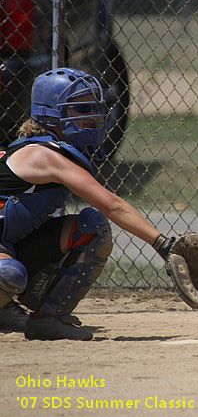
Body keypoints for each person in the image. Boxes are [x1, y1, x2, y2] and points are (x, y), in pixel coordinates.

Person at [0, 68, 176, 340]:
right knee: (8, 274)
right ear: (51, 113)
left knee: (91, 228)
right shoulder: (42, 154)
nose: (94, 117)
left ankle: (47, 319)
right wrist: (163, 244)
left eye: (95, 107)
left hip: (10, 242)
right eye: (82, 108)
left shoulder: (51, 148)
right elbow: (113, 205)